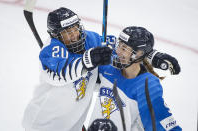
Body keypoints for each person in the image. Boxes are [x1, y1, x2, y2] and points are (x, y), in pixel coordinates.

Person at [22, 7, 181, 131]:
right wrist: (88, 60)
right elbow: (60, 73)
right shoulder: (52, 49)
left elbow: (122, 49)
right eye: (66, 33)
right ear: (56, 35)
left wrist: (151, 55)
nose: (74, 35)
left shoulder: (90, 39)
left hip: (75, 126)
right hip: (44, 126)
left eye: (75, 28)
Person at [87, 26, 182, 131]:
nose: (117, 51)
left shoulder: (146, 85)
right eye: (119, 45)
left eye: (124, 48)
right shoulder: (108, 67)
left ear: (139, 54)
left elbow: (162, 123)